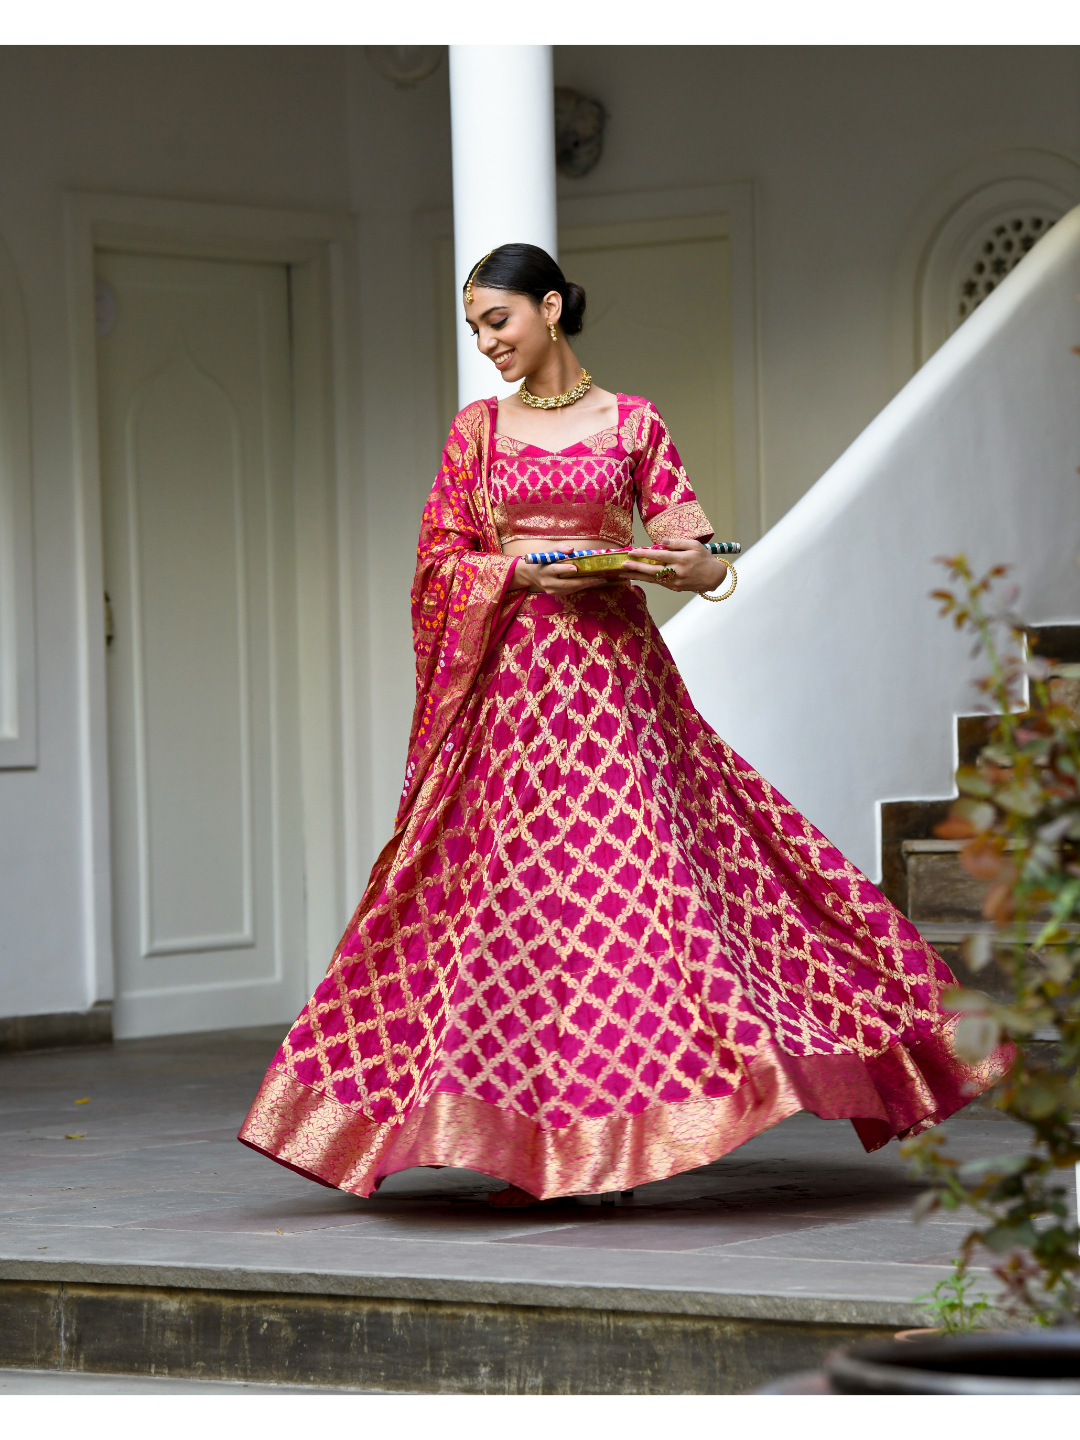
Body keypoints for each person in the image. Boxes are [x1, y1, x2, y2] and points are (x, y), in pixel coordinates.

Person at [239, 244, 1009, 1206]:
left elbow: (697, 550)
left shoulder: (634, 423)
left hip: (617, 692)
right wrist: (523, 571)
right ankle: (534, 1144)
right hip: (513, 696)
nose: (487, 344)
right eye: (475, 329)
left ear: (550, 307)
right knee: (511, 906)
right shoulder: (477, 432)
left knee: (634, 899)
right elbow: (438, 562)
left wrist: (689, 563)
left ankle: (626, 1139)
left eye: (498, 321)